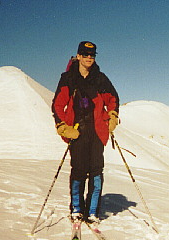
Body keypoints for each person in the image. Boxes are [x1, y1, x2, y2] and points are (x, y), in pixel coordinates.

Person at [52, 41, 120, 224]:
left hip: (97, 131)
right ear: (79, 56)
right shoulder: (68, 78)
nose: (89, 58)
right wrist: (62, 126)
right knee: (79, 171)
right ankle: (76, 209)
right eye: (85, 54)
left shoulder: (100, 78)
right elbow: (58, 104)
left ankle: (92, 211)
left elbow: (113, 98)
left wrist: (112, 116)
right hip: (77, 132)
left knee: (96, 171)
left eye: (92, 55)